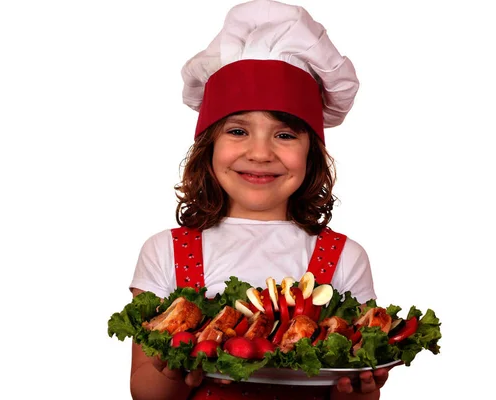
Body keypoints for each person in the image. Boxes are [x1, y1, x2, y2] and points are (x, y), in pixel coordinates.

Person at [128, 0, 398, 398]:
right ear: (208, 147)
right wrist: (171, 370)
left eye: (285, 135)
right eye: (238, 131)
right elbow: (144, 393)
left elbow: (357, 385)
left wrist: (355, 390)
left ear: (312, 153)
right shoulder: (165, 251)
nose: (260, 153)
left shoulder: (345, 257)